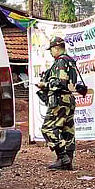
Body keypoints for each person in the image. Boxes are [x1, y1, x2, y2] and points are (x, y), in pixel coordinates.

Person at [37, 37, 85, 171]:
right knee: (67, 129)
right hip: (68, 99)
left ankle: (63, 157)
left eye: (51, 50)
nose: (51, 53)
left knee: (47, 128)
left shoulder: (61, 62)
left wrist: (44, 85)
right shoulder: (70, 61)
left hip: (59, 100)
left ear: (56, 48)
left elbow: (60, 83)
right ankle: (67, 161)